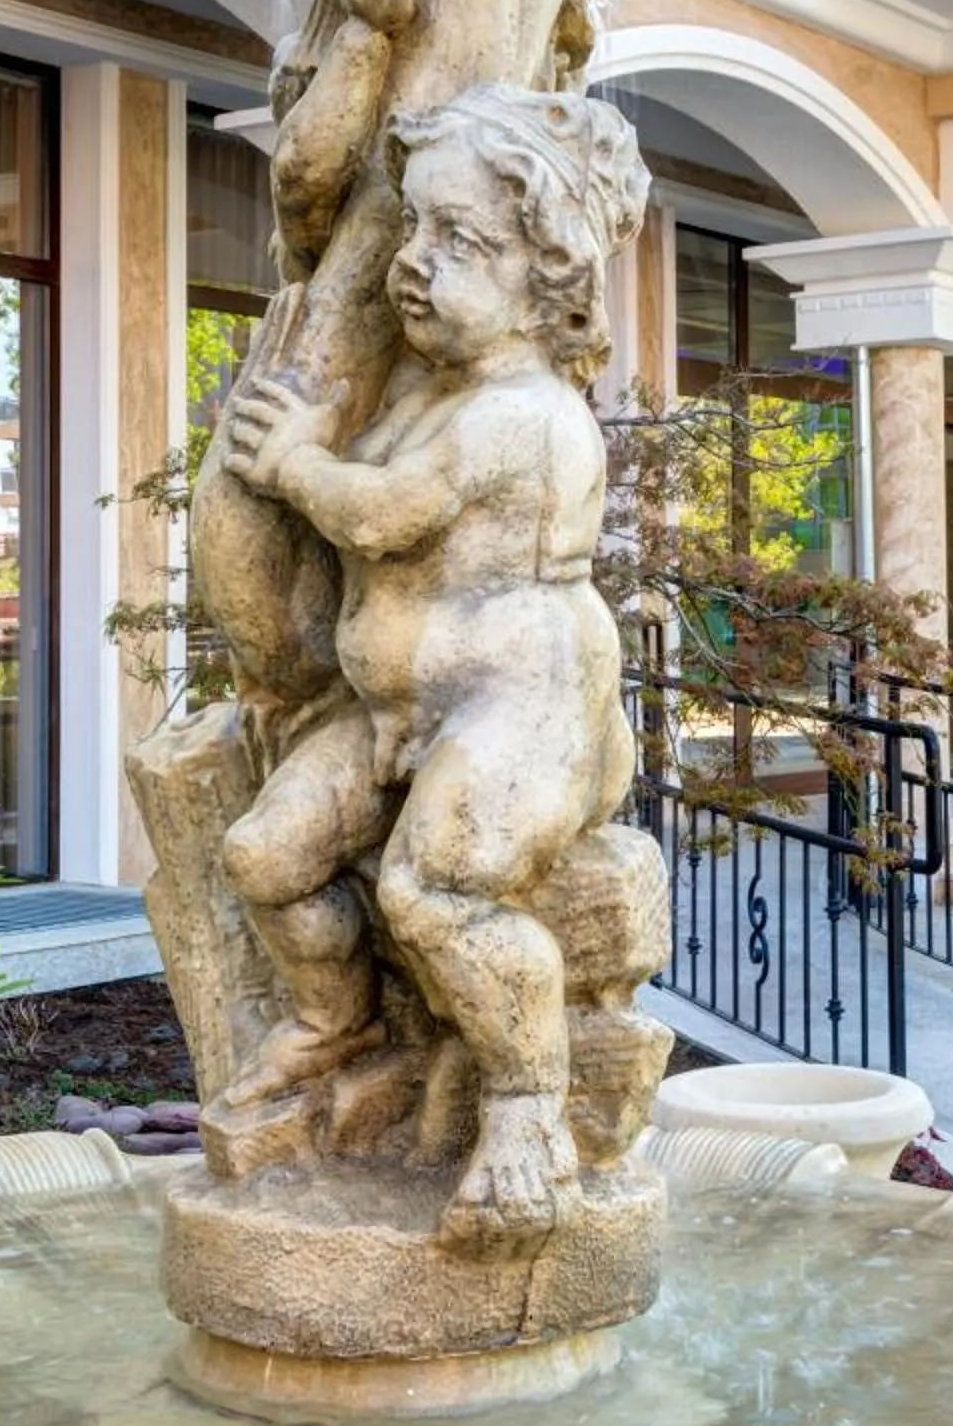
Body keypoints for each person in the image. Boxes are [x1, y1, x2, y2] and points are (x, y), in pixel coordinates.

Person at [217, 83, 648, 1252]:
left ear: (545, 274)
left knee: (435, 890)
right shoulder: (435, 393)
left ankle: (524, 1108)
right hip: (404, 706)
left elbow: (384, 516)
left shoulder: (523, 413)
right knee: (264, 855)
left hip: (520, 704)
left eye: (458, 240)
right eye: (416, 226)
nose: (415, 261)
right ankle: (335, 1022)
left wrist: (296, 460)